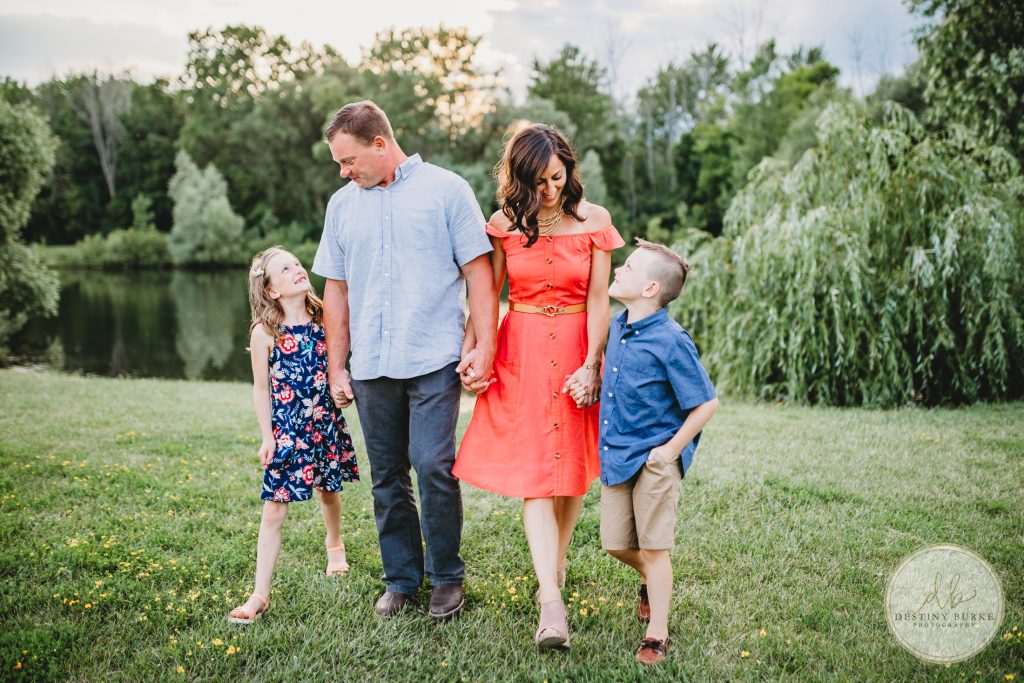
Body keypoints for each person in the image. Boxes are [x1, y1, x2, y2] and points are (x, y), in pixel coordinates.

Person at [313, 101, 497, 619]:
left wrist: (484, 345)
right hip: (371, 364)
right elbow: (337, 291)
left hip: (434, 356)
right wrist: (336, 365)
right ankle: (401, 580)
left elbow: (480, 274)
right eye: (339, 165)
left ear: (380, 143)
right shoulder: (342, 205)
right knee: (387, 476)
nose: (345, 172)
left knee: (434, 464)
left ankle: (446, 577)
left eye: (349, 161)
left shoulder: (447, 190)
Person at [453, 123, 624, 649]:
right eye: (539, 183)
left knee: (570, 471)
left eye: (557, 177)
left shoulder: (594, 221)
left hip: (577, 344)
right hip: (522, 348)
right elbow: (489, 292)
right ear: (520, 182)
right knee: (534, 475)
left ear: (568, 168)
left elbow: (600, 299)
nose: (550, 191)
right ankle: (551, 602)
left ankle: (558, 560)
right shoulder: (504, 224)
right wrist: (474, 348)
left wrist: (593, 364)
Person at [570, 238, 718, 664]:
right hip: (617, 453)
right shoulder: (617, 325)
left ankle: (658, 632)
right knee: (615, 544)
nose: (618, 270)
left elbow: (705, 402)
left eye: (629, 267)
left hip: (654, 460)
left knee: (655, 548)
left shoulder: (672, 340)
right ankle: (652, 582)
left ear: (651, 289)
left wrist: (670, 451)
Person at [228, 246, 360, 624]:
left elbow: (338, 366)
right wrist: (267, 436)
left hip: (323, 422)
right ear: (271, 290)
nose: (297, 270)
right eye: (284, 270)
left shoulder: (326, 317)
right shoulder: (265, 332)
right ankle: (259, 594)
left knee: (329, 490)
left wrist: (342, 388)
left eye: (297, 264)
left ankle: (334, 545)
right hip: (286, 431)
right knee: (273, 509)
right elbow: (260, 389)